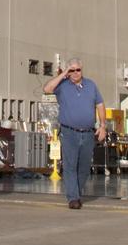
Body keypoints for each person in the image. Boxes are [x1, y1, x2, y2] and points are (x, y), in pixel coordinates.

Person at [44, 58, 106, 209]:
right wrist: (64, 73)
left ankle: (76, 193)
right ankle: (73, 198)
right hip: (69, 132)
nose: (76, 73)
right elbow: (47, 89)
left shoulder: (91, 85)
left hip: (88, 133)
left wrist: (103, 125)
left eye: (78, 69)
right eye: (72, 70)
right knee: (70, 166)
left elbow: (100, 104)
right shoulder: (62, 86)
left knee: (84, 167)